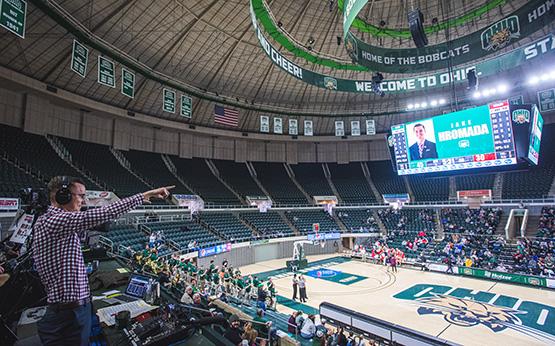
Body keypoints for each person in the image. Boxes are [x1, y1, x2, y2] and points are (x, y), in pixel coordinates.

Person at [33, 176, 173, 346]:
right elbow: (106, 213)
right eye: (80, 195)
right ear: (63, 196)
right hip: (68, 314)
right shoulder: (53, 221)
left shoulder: (59, 223)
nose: (83, 201)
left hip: (72, 309)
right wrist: (145, 195)